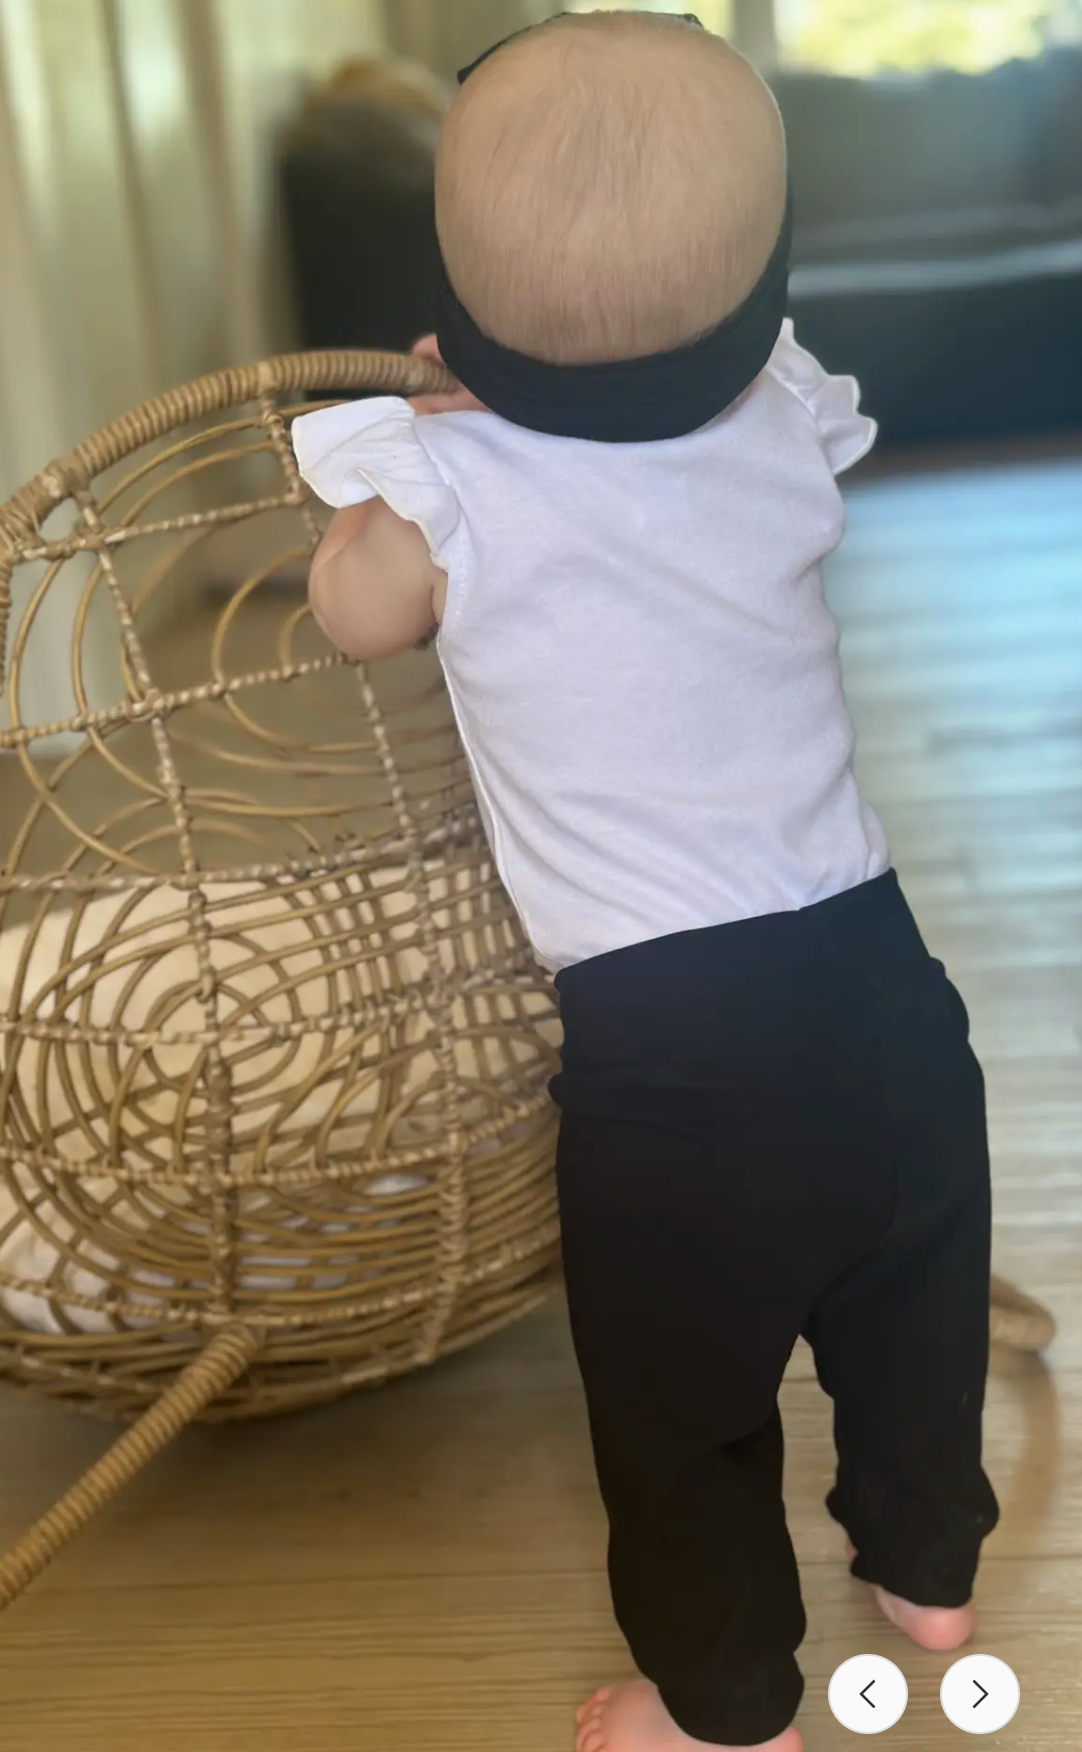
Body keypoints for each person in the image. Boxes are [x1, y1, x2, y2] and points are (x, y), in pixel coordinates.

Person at [291, 13, 1000, 1750]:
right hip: (883, 991)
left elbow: (353, 616)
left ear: (456, 292)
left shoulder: (445, 475)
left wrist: (416, 436)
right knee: (907, 1317)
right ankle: (925, 1568)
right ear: (759, 284)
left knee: (678, 1412)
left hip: (676, 1064)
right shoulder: (778, 413)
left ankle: (722, 1707)